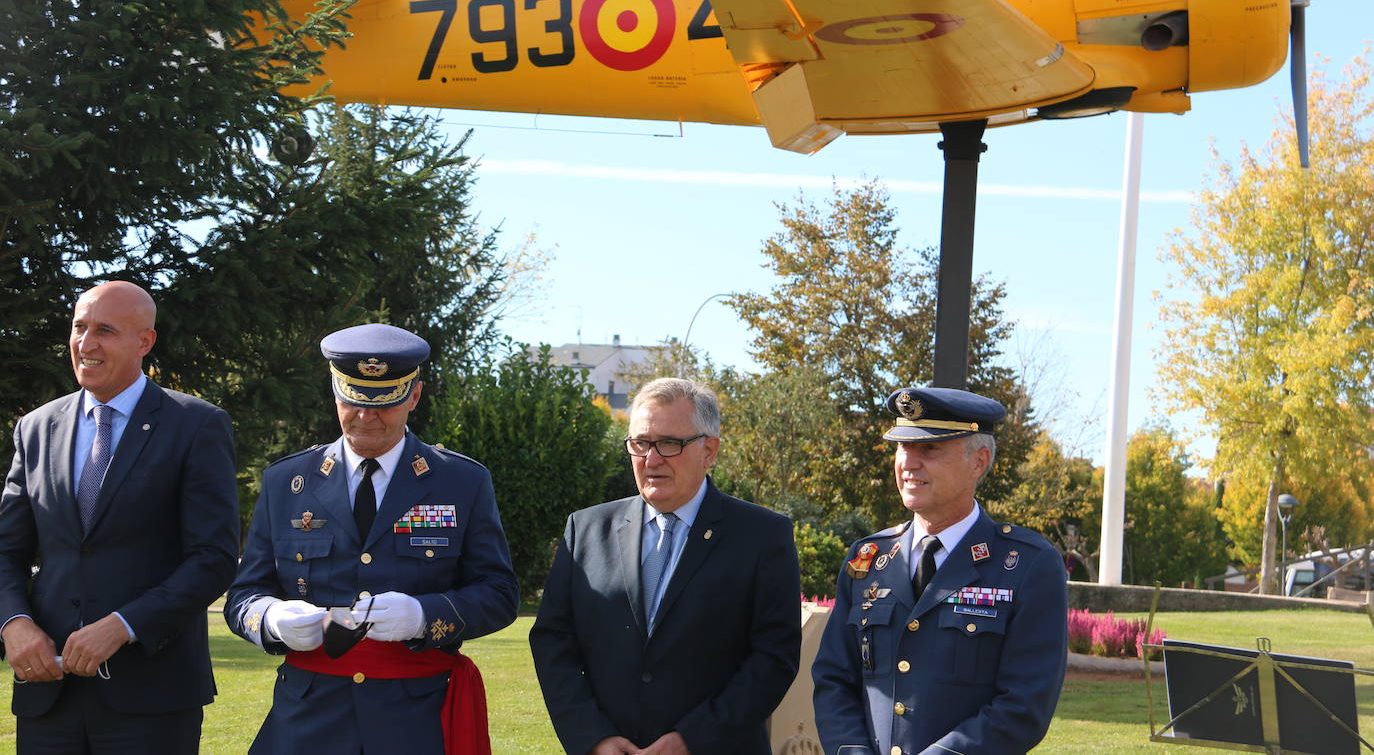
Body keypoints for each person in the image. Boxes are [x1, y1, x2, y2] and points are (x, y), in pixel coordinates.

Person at [225, 322, 518, 754]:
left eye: (384, 403)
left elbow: (499, 593)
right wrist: (270, 619)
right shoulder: (288, 480)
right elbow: (244, 594)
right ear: (335, 392)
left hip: (414, 720)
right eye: (354, 400)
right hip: (307, 720)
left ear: (413, 396)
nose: (366, 416)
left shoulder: (461, 482)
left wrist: (424, 615)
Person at [0, 280, 240, 753]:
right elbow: (6, 550)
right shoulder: (36, 428)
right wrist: (14, 623)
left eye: (105, 331)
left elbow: (212, 558)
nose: (86, 344)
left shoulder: (196, 424)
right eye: (79, 327)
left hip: (152, 696)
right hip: (48, 694)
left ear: (144, 342)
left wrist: (124, 625)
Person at [529, 377, 802, 755]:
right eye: (640, 443)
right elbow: (552, 640)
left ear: (709, 451)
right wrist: (593, 737)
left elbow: (774, 657)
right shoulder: (587, 529)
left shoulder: (762, 536)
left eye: (669, 444)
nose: (651, 459)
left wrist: (693, 739)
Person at [811, 386, 1068, 755]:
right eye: (903, 447)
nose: (909, 463)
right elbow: (834, 679)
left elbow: (1024, 706)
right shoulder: (868, 558)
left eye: (929, 449)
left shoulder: (1027, 563)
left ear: (979, 462)